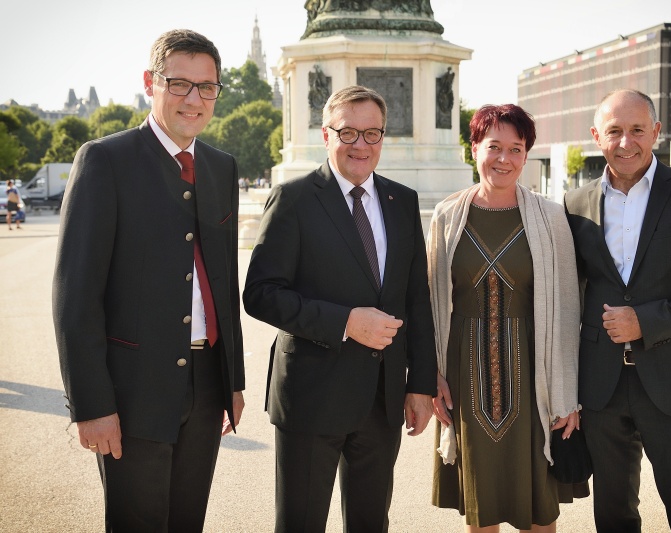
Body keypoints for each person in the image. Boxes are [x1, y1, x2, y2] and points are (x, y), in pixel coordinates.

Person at [52, 29, 245, 532]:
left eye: (207, 87)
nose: (194, 99)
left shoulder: (221, 168)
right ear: (149, 82)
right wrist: (91, 405)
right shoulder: (104, 160)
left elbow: (223, 284)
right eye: (179, 83)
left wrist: (233, 381)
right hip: (132, 391)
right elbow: (76, 296)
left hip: (206, 387)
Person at [243, 85, 437, 532]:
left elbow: (416, 301)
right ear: (326, 136)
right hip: (312, 397)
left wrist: (421, 385)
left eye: (372, 134)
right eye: (348, 133)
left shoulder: (402, 201)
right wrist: (346, 322)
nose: (361, 146)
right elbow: (260, 293)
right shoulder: (292, 199)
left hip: (382, 399)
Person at [564, 89, 671, 532]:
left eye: (637, 130)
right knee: (614, 516)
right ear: (596, 137)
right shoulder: (574, 204)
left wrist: (647, 320)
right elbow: (568, 293)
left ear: (656, 132)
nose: (626, 143)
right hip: (601, 389)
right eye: (614, 132)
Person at [428, 104, 586, 532]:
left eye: (516, 149)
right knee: (481, 503)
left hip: (535, 378)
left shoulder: (551, 217)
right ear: (474, 148)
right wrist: (432, 376)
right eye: (493, 146)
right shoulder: (446, 217)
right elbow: (431, 305)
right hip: (465, 378)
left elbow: (569, 308)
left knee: (538, 509)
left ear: (527, 154)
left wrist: (567, 394)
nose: (504, 158)